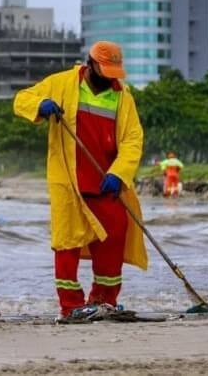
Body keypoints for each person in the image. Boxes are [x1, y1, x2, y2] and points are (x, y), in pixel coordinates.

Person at [13, 41, 147, 323]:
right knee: (67, 242)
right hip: (69, 182)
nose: (110, 77)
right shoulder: (61, 83)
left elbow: (133, 139)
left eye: (114, 72)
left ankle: (104, 301)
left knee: (114, 235)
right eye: (105, 70)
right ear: (91, 64)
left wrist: (119, 173)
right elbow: (21, 99)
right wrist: (40, 105)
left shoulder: (122, 96)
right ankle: (70, 307)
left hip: (106, 182)